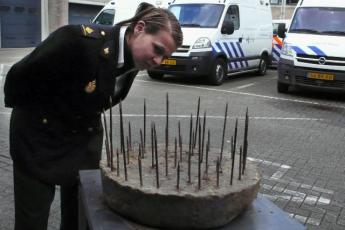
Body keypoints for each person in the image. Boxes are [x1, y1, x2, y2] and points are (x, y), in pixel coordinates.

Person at [3, 3, 182, 230]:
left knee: (80, 219)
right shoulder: (76, 41)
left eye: (165, 56)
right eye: (157, 50)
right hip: (39, 142)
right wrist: (46, 114)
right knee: (33, 221)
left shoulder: (134, 58)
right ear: (139, 28)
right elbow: (18, 79)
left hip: (82, 146)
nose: (158, 61)